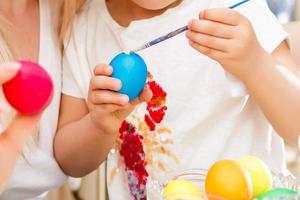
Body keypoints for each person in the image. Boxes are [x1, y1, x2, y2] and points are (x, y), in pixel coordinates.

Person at [61, 0, 300, 199]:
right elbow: (70, 163)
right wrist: (99, 126)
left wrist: (256, 63)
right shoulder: (86, 27)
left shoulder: (234, 9)